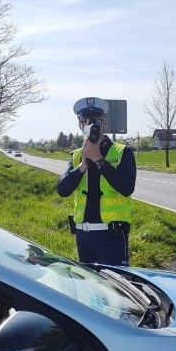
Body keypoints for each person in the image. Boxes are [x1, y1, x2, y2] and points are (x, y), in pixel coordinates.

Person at [57, 97, 136, 266]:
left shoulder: (122, 152)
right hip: (83, 236)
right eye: (84, 122)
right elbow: (62, 189)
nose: (90, 126)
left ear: (104, 124)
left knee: (115, 288)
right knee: (88, 289)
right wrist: (82, 165)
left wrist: (99, 159)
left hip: (111, 236)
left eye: (95, 122)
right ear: (79, 125)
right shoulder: (77, 155)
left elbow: (127, 187)